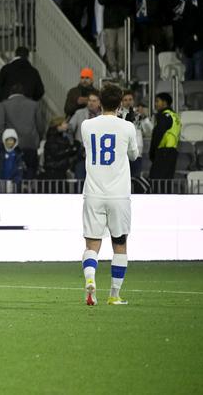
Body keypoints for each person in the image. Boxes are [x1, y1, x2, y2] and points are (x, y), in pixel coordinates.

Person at [79, 84, 139, 306]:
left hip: (94, 193)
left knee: (92, 245)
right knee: (120, 244)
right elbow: (134, 154)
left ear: (100, 101)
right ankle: (114, 294)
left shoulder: (86, 125)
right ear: (121, 102)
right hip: (119, 195)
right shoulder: (127, 127)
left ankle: (91, 279)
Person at [148, 92, 180, 182]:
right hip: (172, 152)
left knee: (157, 182)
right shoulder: (174, 116)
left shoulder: (165, 116)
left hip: (163, 152)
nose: (155, 104)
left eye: (157, 101)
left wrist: (152, 153)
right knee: (167, 182)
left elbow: (158, 134)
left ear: (164, 103)